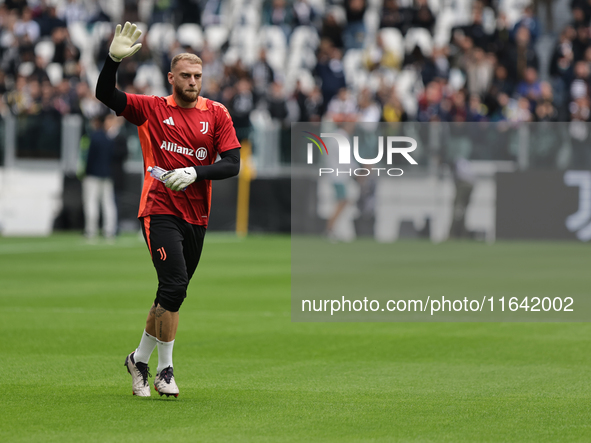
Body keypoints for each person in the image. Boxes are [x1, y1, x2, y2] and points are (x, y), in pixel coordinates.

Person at [95, 22, 241, 398]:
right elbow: (104, 93)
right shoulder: (152, 109)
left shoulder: (218, 114)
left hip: (197, 215)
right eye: (186, 76)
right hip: (159, 209)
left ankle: (137, 360)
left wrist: (196, 171)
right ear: (171, 77)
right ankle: (165, 370)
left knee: (170, 293)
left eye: (198, 76)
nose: (193, 81)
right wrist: (113, 60)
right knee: (174, 284)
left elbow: (232, 164)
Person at [83, 115, 117, 241]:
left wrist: (86, 172)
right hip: (107, 174)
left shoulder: (94, 137)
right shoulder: (109, 138)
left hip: (93, 174)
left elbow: (90, 158)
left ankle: (91, 231)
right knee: (108, 203)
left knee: (91, 203)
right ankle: (109, 231)